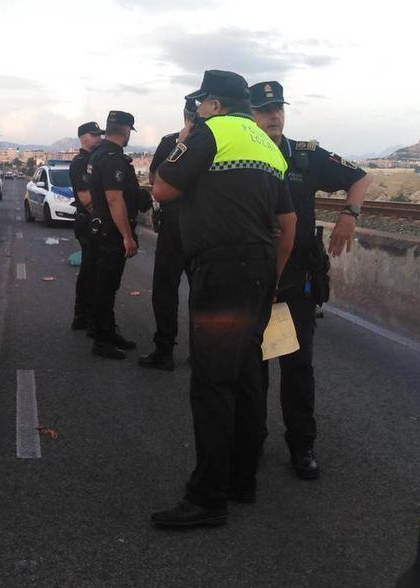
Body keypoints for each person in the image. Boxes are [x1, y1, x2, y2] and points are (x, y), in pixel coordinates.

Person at [150, 70, 297, 527]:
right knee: (249, 376)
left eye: (201, 104)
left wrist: (188, 135)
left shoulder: (209, 134)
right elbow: (287, 223)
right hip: (257, 271)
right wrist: (270, 277)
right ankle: (242, 480)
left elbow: (162, 188)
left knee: (212, 384)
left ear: (212, 103)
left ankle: (207, 498)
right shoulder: (266, 144)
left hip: (220, 273)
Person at [249, 80, 371, 479]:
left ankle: (302, 445)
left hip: (295, 280)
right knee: (253, 367)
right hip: (252, 278)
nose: (274, 115)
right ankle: (251, 443)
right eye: (265, 109)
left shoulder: (306, 157)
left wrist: (349, 215)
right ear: (249, 114)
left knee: (297, 367)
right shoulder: (241, 153)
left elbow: (359, 178)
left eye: (278, 108)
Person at [138, 97, 201, 371]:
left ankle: (165, 350)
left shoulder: (172, 142)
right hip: (199, 226)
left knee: (167, 290)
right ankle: (197, 352)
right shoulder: (215, 142)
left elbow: (155, 181)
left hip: (178, 224)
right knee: (197, 291)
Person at [86, 110, 144, 360]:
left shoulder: (98, 153)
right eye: (130, 130)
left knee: (107, 285)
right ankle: (101, 339)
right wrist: (127, 237)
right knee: (106, 286)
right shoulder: (111, 158)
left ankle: (108, 332)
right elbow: (114, 199)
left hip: (103, 228)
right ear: (126, 130)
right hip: (112, 231)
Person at [69, 121, 104, 333]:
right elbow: (86, 199)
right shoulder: (81, 162)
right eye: (94, 135)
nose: (99, 138)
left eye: (100, 134)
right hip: (89, 222)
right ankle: (85, 317)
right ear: (83, 138)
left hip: (94, 222)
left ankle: (86, 316)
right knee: (91, 272)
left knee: (94, 271)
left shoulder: (96, 159)